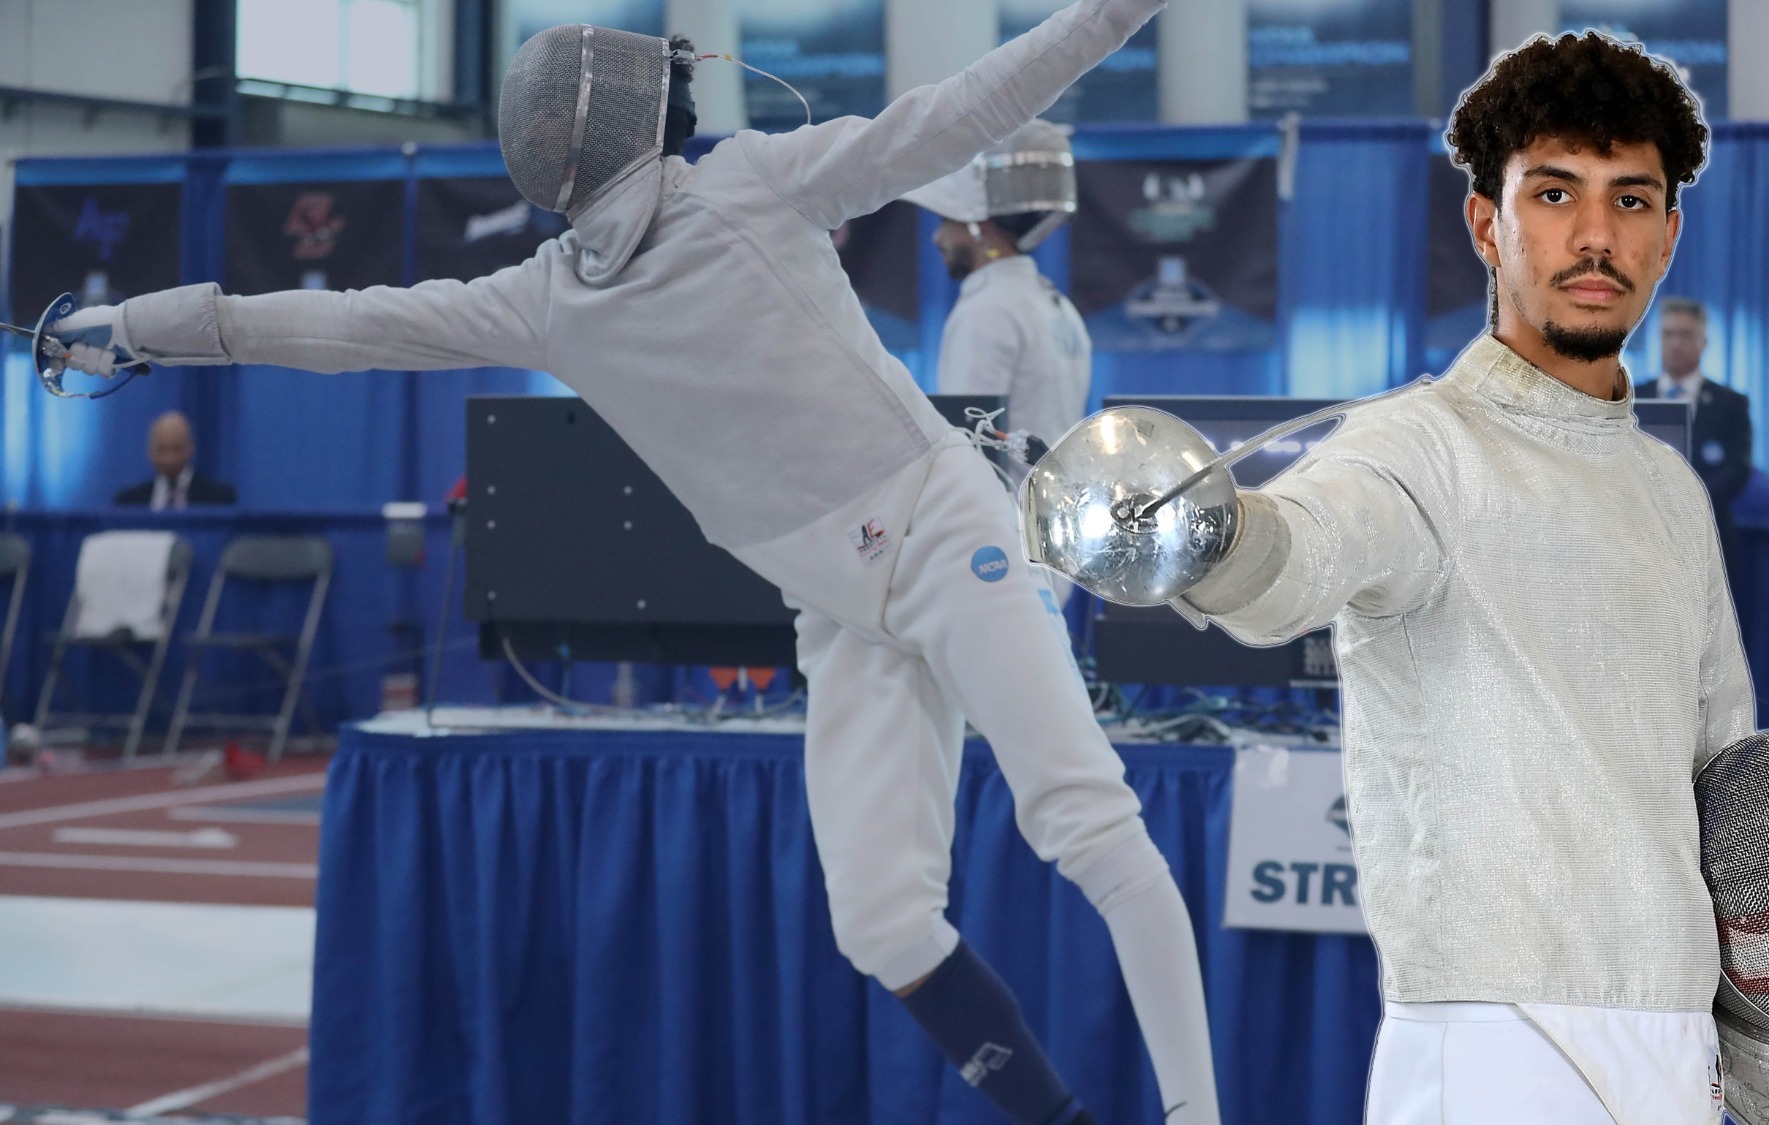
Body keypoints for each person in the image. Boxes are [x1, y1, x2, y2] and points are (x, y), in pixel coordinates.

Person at [46, 5, 1219, 1124]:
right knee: (882, 926)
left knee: (1086, 824)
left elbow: (962, 112)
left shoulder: (747, 188)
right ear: (639, 115)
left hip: (941, 529)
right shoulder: (550, 298)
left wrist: (1117, 9)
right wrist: (152, 327)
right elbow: (350, 326)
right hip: (838, 608)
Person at [1047, 33, 1769, 1123]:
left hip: (1674, 1035)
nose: (1594, 234)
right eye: (1554, 192)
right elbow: (1306, 548)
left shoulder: (1665, 492)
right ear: (1485, 223)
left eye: (1630, 200)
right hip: (1495, 1046)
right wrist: (1207, 536)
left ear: (1667, 237)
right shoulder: (1415, 447)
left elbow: (1723, 776)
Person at [907, 119, 1092, 456]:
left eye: (947, 222)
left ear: (979, 227)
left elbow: (971, 440)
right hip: (1050, 503)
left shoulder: (987, 312)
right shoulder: (1055, 304)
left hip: (1003, 506)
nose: (938, 237)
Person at [1634, 298, 1751, 581]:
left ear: (1704, 341)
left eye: (1685, 335)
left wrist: (1687, 501)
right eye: (1668, 334)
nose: (1675, 343)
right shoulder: (1630, 396)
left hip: (1708, 533)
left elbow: (1737, 468)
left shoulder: (1730, 403)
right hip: (1641, 531)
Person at [113, 411, 236, 509]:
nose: (169, 459)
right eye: (162, 449)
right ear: (150, 451)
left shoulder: (218, 500)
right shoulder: (129, 503)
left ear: (191, 448)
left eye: (177, 449)